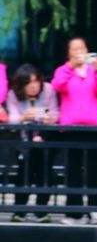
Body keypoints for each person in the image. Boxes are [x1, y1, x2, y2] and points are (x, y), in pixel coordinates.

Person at [51, 37, 97, 221]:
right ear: (69, 53)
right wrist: (70, 66)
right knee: (73, 170)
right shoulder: (63, 70)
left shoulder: (95, 69)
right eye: (75, 49)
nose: (79, 52)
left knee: (96, 168)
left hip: (95, 126)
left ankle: (96, 209)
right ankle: (74, 211)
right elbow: (57, 85)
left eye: (82, 48)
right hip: (71, 126)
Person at [5, 64, 59, 219]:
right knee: (24, 173)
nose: (34, 86)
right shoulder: (13, 94)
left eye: (36, 81)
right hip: (24, 142)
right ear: (21, 85)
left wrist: (49, 119)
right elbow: (12, 119)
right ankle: (19, 210)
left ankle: (41, 211)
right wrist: (24, 117)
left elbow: (55, 112)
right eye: (28, 83)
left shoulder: (48, 90)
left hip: (46, 139)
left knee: (44, 173)